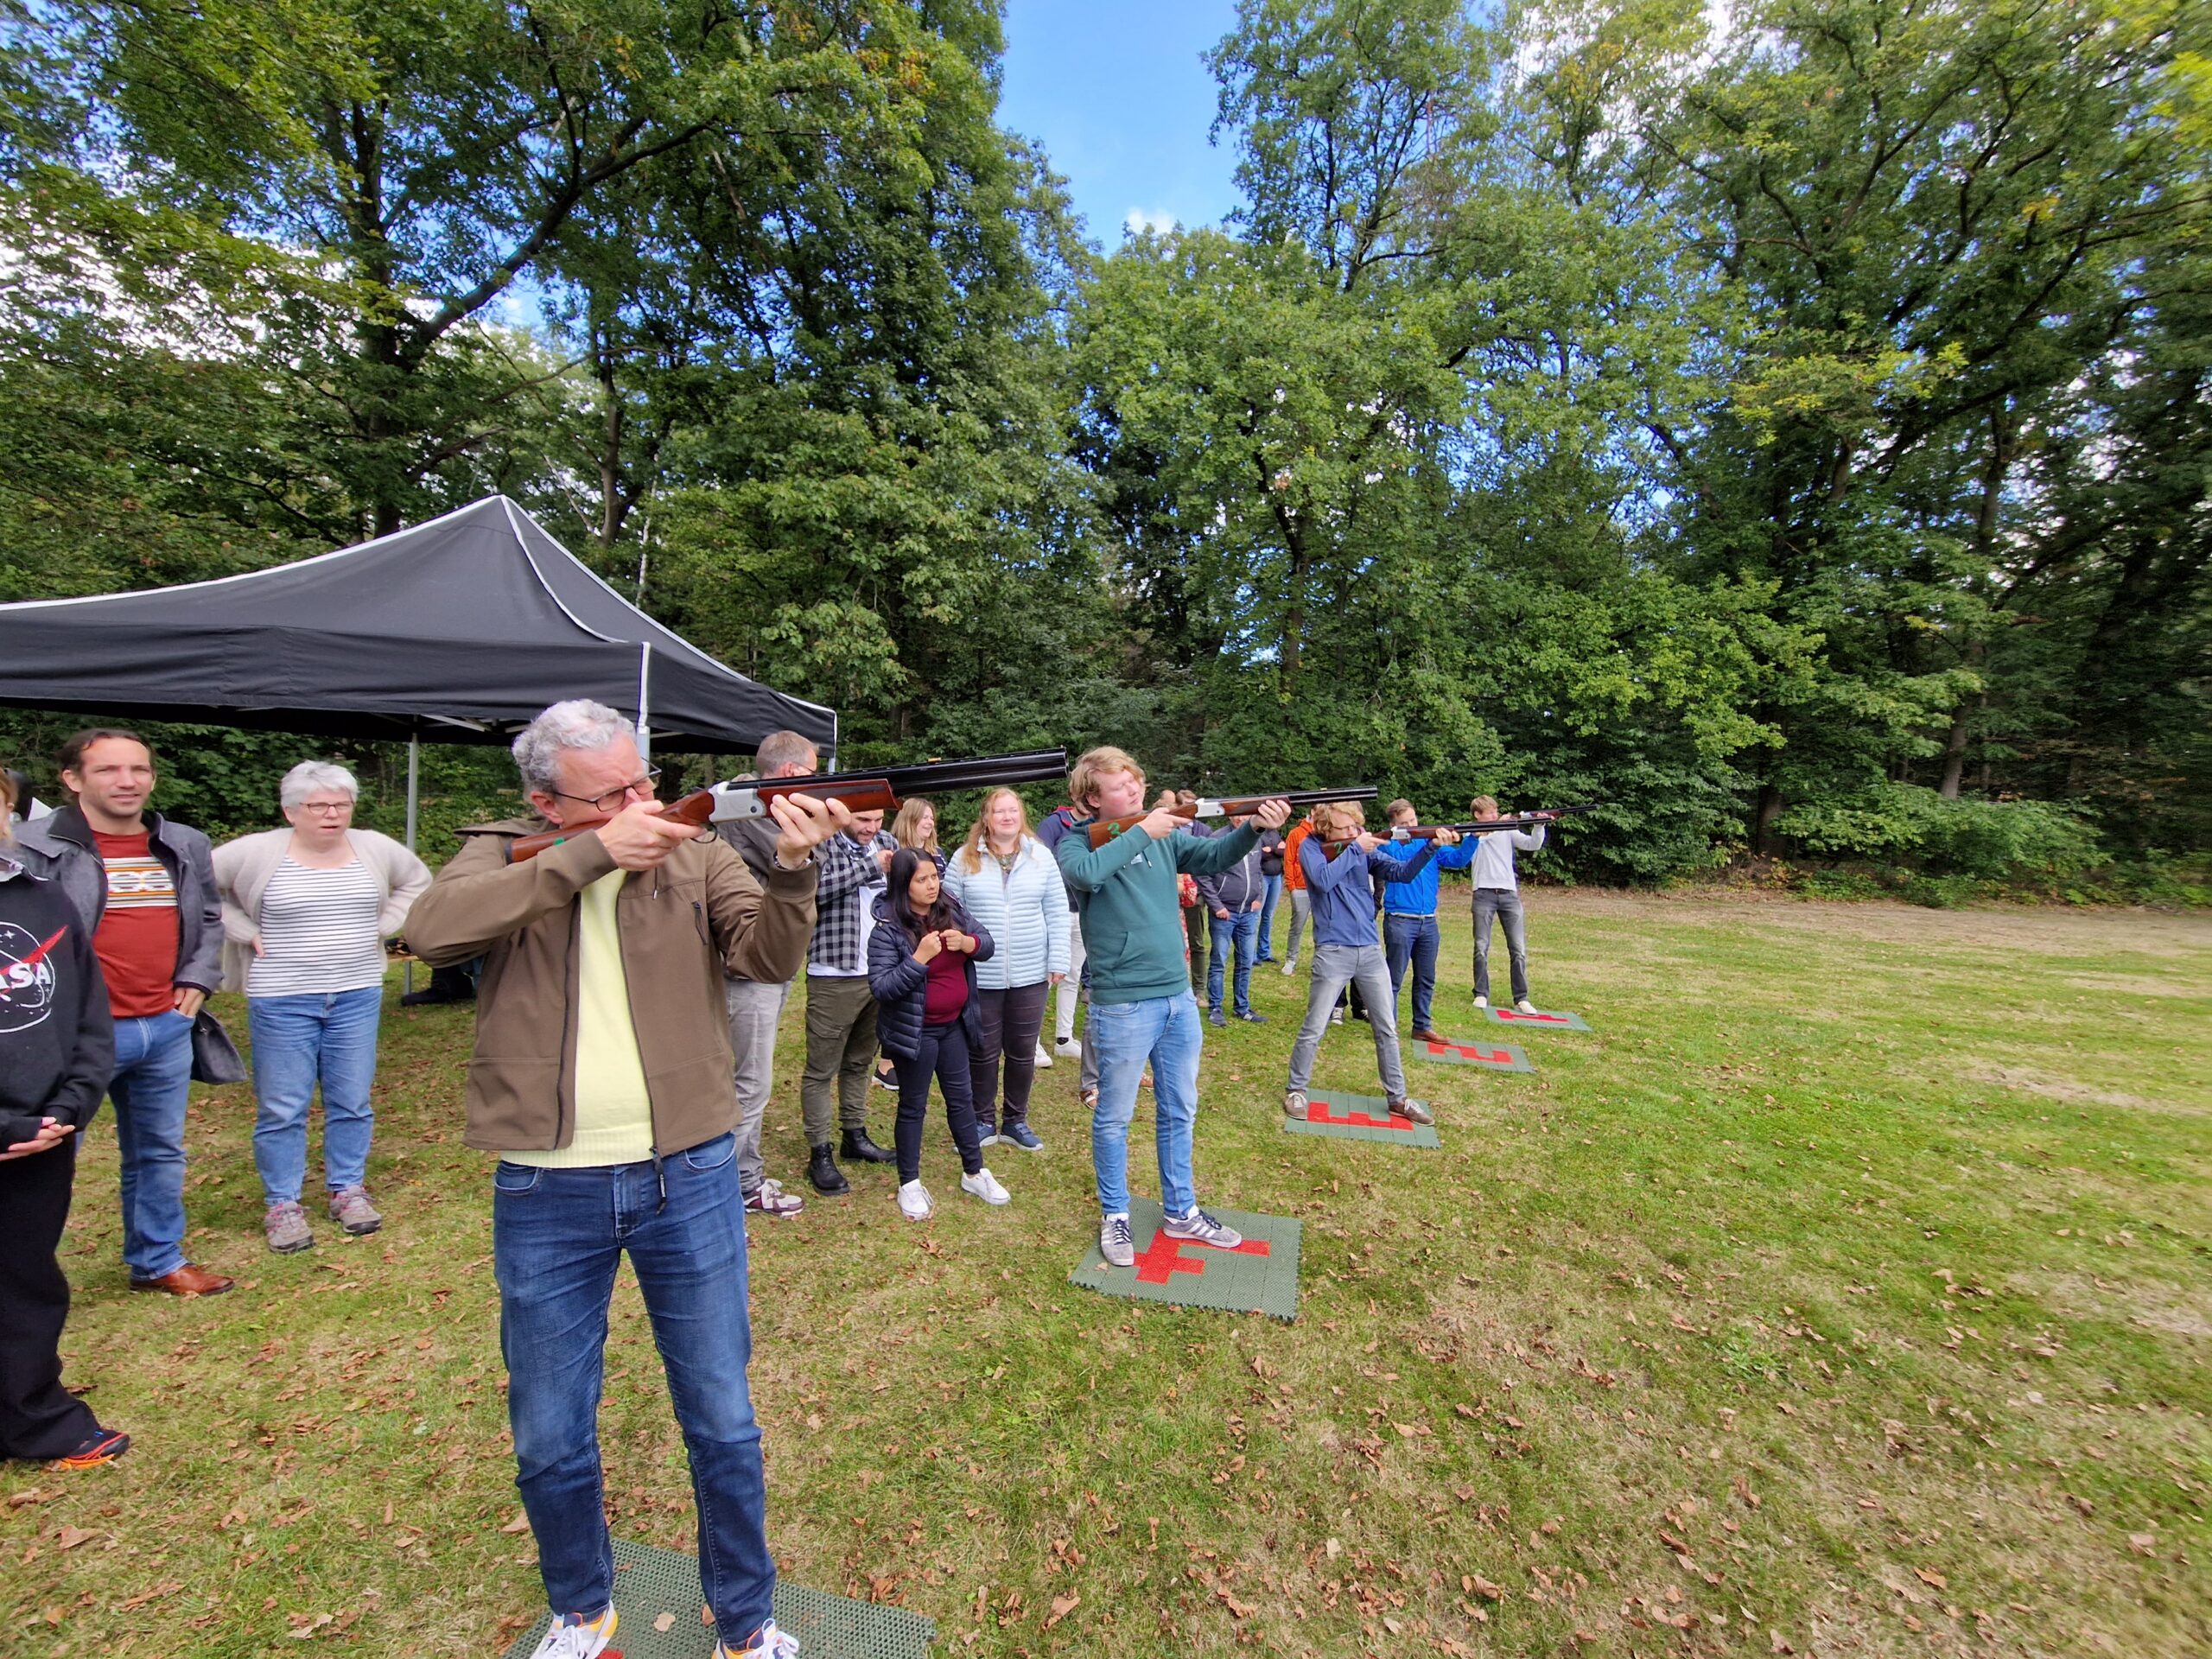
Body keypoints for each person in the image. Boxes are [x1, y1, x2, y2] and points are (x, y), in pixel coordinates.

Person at [404, 699, 841, 1659]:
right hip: (546, 1186)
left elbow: (763, 956)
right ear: (546, 802)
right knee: (550, 1430)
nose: (647, 801)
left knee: (722, 1417)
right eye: (617, 793)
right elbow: (430, 931)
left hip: (687, 1172)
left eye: (645, 780)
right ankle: (582, 1609)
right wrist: (592, 855)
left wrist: (794, 867)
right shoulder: (500, 850)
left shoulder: (696, 852)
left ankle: (745, 1620)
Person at [1054, 747, 1289, 1268]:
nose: (1134, 791)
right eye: (1120, 787)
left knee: (1179, 1108)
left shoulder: (1159, 834)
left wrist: (1252, 828)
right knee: (1114, 1117)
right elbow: (1087, 876)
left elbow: (1212, 857)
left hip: (1177, 996)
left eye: (1136, 782)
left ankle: (1181, 1211)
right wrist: (1143, 832)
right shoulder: (1076, 842)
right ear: (1093, 798)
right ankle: (1116, 1213)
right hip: (1122, 1002)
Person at [16, 730, 230, 1298]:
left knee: (160, 1150)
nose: (128, 781)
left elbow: (210, 919)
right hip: (73, 1038)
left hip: (163, 1027)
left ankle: (157, 1260)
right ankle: (27, 1278)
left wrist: (199, 977)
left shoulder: (183, 842)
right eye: (109, 770)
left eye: (139, 769)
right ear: (73, 779)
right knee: (48, 1158)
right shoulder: (31, 846)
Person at [212, 762, 432, 1254]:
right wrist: (245, 932)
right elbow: (199, 887)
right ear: (291, 811)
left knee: (352, 1099)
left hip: (356, 991)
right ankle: (283, 1204)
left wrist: (387, 923)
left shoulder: (374, 847)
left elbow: (417, 881)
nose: (332, 814)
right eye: (318, 806)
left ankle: (347, 1190)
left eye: (341, 804)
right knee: (282, 1106)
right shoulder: (255, 851)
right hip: (282, 996)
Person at [0, 767, 129, 1470]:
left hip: (42, 1133)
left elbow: (85, 1011)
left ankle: (34, 1419)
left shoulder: (40, 898)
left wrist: (70, 1105)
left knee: (26, 1280)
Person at [715, 730, 825, 1220]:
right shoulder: (746, 809)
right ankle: (742, 1183)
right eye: (813, 774)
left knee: (745, 1076)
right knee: (749, 1080)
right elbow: (811, 867)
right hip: (749, 964)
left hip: (762, 958)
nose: (819, 785)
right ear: (790, 774)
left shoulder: (744, 806)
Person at [866, 849, 1009, 1220]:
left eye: (934, 877)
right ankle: (909, 1183)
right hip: (915, 1032)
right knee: (913, 1105)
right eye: (921, 880)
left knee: (962, 1099)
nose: (932, 886)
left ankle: (975, 1172)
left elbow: (987, 943)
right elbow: (882, 988)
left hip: (954, 1026)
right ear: (902, 884)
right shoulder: (887, 928)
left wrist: (969, 944)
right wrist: (918, 959)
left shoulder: (952, 908)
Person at [1283, 802, 1442, 1124]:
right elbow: (1323, 879)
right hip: (1333, 950)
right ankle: (1296, 1090)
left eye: (1356, 827)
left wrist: (1431, 847)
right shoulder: (1311, 847)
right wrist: (1356, 848)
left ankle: (1397, 1097)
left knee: (1387, 1028)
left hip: (1369, 949)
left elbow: (1402, 873)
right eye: (1346, 829)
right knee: (1315, 1026)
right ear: (1326, 829)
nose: (1354, 833)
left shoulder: (1358, 847)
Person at [943, 788, 1068, 1153]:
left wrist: (1058, 958)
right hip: (981, 973)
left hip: (1030, 973)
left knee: (1022, 1050)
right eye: (999, 812)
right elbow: (948, 911)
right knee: (981, 1050)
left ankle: (1015, 1120)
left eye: (1013, 810)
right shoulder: (964, 859)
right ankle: (982, 1120)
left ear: (1021, 815)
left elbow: (1057, 910)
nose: (1007, 817)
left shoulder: (1040, 856)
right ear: (986, 817)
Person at [795, 803, 897, 1196]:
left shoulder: (888, 841)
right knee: (821, 1069)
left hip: (878, 973)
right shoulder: (821, 844)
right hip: (833, 972)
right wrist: (874, 866)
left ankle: (854, 1135)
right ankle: (820, 1152)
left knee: (859, 1062)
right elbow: (815, 891)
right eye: (863, 821)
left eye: (877, 820)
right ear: (843, 816)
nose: (871, 828)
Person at [1376, 799, 1474, 1043]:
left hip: (1428, 921)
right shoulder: (1388, 845)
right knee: (1394, 978)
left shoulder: (1426, 841)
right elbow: (1405, 862)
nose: (1411, 825)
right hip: (1400, 919)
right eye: (1404, 823)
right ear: (1393, 825)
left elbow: (1459, 860)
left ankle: (1422, 1026)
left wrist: (1474, 836)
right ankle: (1388, 1028)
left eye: (1413, 820)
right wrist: (1431, 845)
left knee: (1426, 978)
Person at [1469, 795, 1545, 1014]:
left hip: (1509, 894)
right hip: (1483, 893)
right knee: (1481, 946)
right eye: (1490, 813)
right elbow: (1480, 840)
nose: (1495, 815)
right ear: (1478, 815)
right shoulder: (1473, 832)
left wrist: (1538, 825)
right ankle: (1481, 993)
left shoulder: (1507, 830)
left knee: (1518, 949)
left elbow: (1532, 845)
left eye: (1496, 812)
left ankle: (1521, 997)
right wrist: (1499, 824)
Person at [1195, 826, 1267, 1027]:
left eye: (1246, 815)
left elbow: (1257, 871)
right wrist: (1217, 905)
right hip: (1224, 913)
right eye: (1238, 814)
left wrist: (1258, 896)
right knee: (1219, 960)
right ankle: (1215, 1008)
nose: (1241, 818)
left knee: (1245, 961)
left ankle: (1242, 1007)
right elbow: (1203, 874)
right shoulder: (1217, 838)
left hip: (1248, 913)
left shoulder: (1256, 837)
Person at [1035, 803, 1086, 1064]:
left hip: (1084, 910)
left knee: (1073, 975)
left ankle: (1064, 1039)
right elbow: (1037, 866)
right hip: (1057, 911)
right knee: (1044, 975)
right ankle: (1030, 1042)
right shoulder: (1053, 824)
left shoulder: (1101, 824)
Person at [1278, 810, 1318, 975]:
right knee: (1297, 926)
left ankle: (1319, 961)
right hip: (1300, 888)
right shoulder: (1296, 833)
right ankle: (1290, 960)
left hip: (1319, 888)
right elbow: (1288, 860)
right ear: (1313, 811)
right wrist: (1291, 886)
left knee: (1322, 927)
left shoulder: (1326, 833)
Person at [1253, 826, 1286, 963]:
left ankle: (1264, 952)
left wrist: (1272, 850)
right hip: (1263, 877)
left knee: (1268, 915)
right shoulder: (1257, 833)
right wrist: (1276, 851)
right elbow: (1259, 855)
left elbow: (1284, 852)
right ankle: (1251, 953)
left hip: (1276, 877)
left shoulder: (1275, 832)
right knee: (1257, 915)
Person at [889, 798, 946, 871]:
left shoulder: (937, 853)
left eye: (932, 818)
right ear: (909, 820)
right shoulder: (893, 852)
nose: (930, 823)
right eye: (925, 817)